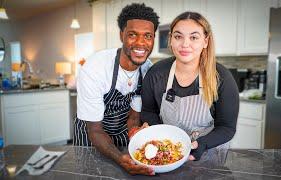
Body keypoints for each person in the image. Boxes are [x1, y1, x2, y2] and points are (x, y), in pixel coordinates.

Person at [140, 11, 239, 162]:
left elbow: (227, 127)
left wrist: (203, 144)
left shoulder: (222, 78)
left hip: (208, 154)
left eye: (194, 37)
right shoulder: (156, 74)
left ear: (205, 41)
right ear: (171, 40)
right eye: (178, 36)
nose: (185, 44)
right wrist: (163, 137)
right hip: (168, 151)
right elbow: (148, 111)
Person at [74, 3, 159, 175]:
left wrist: (136, 135)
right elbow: (95, 130)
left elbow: (134, 116)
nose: (141, 43)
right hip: (91, 136)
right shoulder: (95, 69)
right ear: (122, 35)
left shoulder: (148, 70)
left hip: (121, 134)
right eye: (132, 35)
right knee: (90, 174)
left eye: (148, 36)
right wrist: (120, 159)